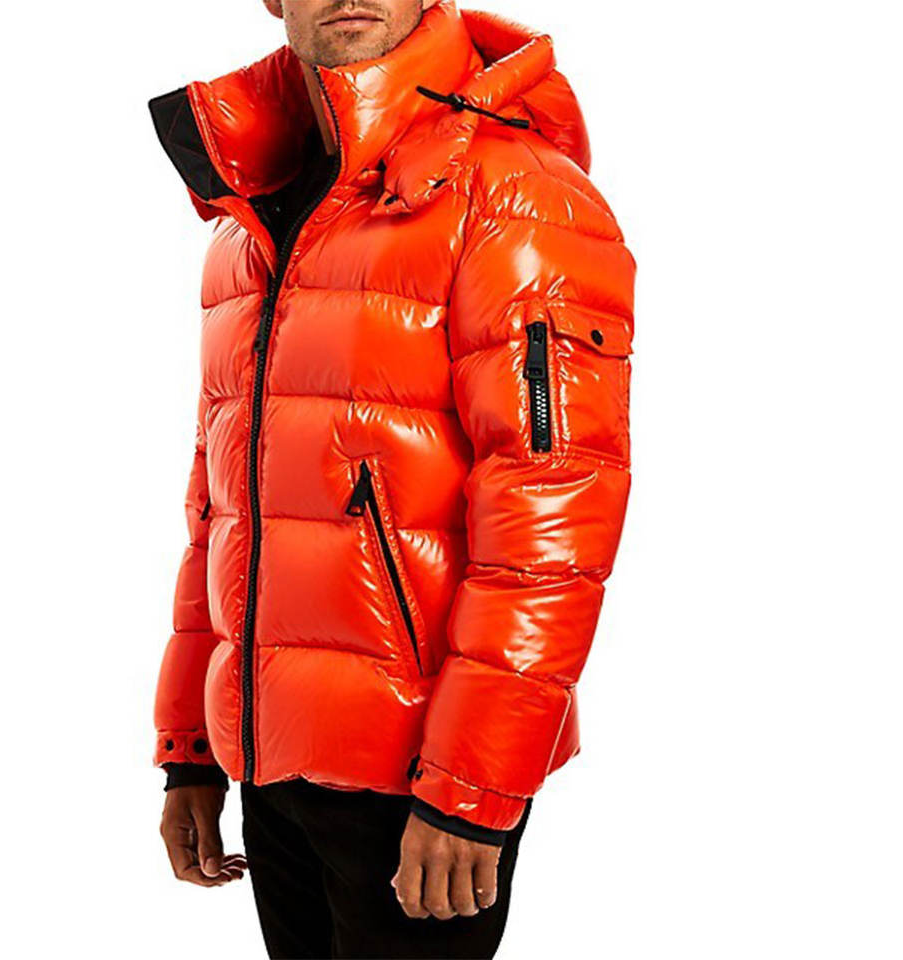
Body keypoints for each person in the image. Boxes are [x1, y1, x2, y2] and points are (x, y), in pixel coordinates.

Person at [149, 1, 634, 956]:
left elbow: (552, 517)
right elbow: (221, 503)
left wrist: (473, 786)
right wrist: (190, 744)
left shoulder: (517, 195)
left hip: (417, 772)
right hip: (267, 757)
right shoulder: (251, 215)